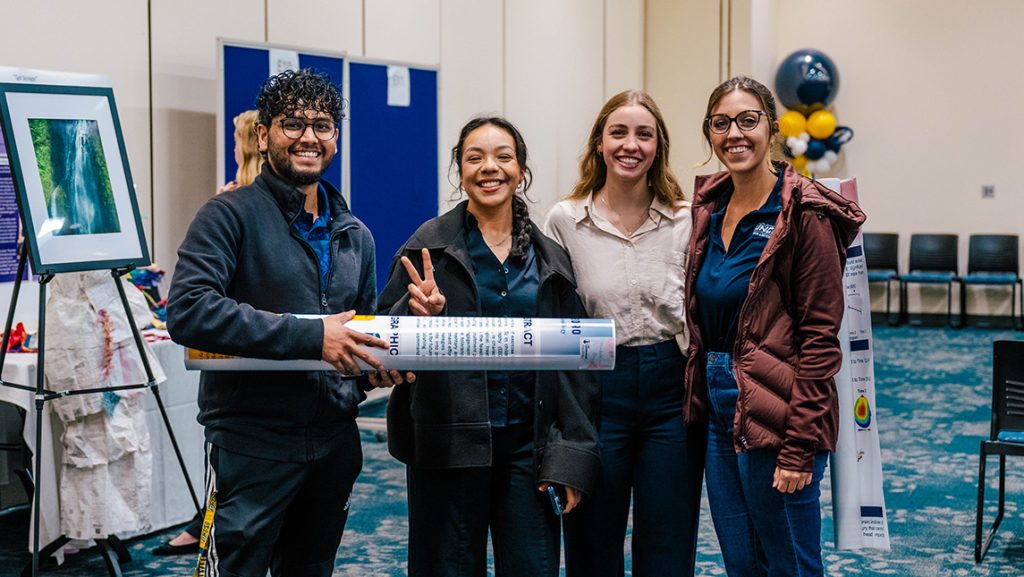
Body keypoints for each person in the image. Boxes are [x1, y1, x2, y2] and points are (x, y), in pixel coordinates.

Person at [166, 68, 411, 577]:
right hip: (252, 445)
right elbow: (189, 309)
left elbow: (354, 341)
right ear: (264, 135)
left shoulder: (355, 235)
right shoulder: (227, 215)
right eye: (292, 123)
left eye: (322, 125)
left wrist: (378, 367)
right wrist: (312, 336)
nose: (308, 137)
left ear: (336, 138)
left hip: (334, 445)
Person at [377, 116, 600, 577]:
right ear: (460, 171)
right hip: (447, 447)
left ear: (521, 170)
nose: (488, 168)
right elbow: (381, 341)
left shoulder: (549, 259)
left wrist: (570, 457)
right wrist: (415, 311)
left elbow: (574, 365)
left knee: (532, 568)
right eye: (474, 158)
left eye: (503, 157)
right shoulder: (427, 249)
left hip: (528, 448)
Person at [684, 76, 865, 577]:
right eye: (721, 123)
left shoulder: (805, 212)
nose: (734, 134)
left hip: (783, 409)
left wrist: (799, 445)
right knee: (743, 561)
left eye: (748, 120)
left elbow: (819, 340)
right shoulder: (708, 208)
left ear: (773, 127)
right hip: (722, 404)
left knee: (791, 564)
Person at [543, 90, 704, 577]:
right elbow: (551, 313)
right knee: (592, 538)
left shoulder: (686, 218)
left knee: (669, 538)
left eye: (643, 134)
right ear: (599, 143)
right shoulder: (564, 220)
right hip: (596, 388)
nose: (630, 144)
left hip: (670, 389)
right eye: (618, 132)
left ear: (658, 146)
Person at [155, 108, 266, 557]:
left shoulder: (236, 200)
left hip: (246, 365)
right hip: (241, 367)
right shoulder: (230, 206)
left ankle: (203, 522)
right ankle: (202, 522)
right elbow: (192, 306)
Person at [216, 109, 264, 194]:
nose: (234, 150)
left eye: (236, 142)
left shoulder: (234, 199)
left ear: (245, 148)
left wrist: (221, 202)